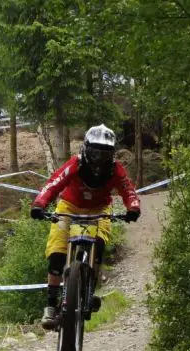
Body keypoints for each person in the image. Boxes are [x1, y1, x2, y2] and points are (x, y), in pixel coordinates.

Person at [30, 124, 141, 329]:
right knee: (56, 252)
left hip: (100, 208)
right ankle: (51, 306)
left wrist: (133, 207)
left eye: (104, 153)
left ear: (112, 154)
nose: (98, 158)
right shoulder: (76, 164)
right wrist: (39, 204)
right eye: (95, 152)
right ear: (86, 149)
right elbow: (55, 183)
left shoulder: (115, 169)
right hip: (69, 206)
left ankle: (90, 290)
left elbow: (128, 190)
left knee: (99, 244)